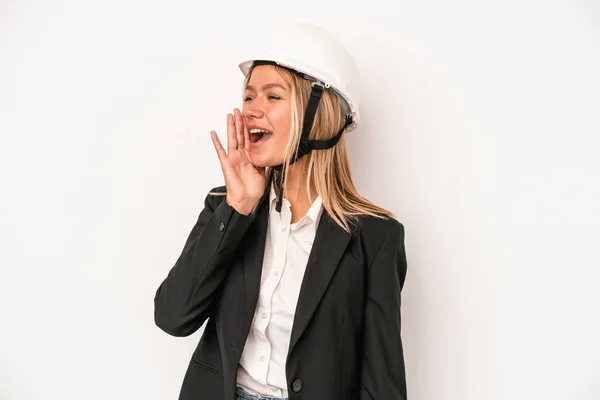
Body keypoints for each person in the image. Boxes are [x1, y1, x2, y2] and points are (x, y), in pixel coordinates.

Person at [154, 22, 408, 400]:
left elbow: (381, 385)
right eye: (249, 96)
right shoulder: (226, 207)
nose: (253, 110)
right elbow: (173, 317)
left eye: (273, 97)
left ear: (319, 115)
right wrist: (237, 208)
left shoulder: (375, 238)